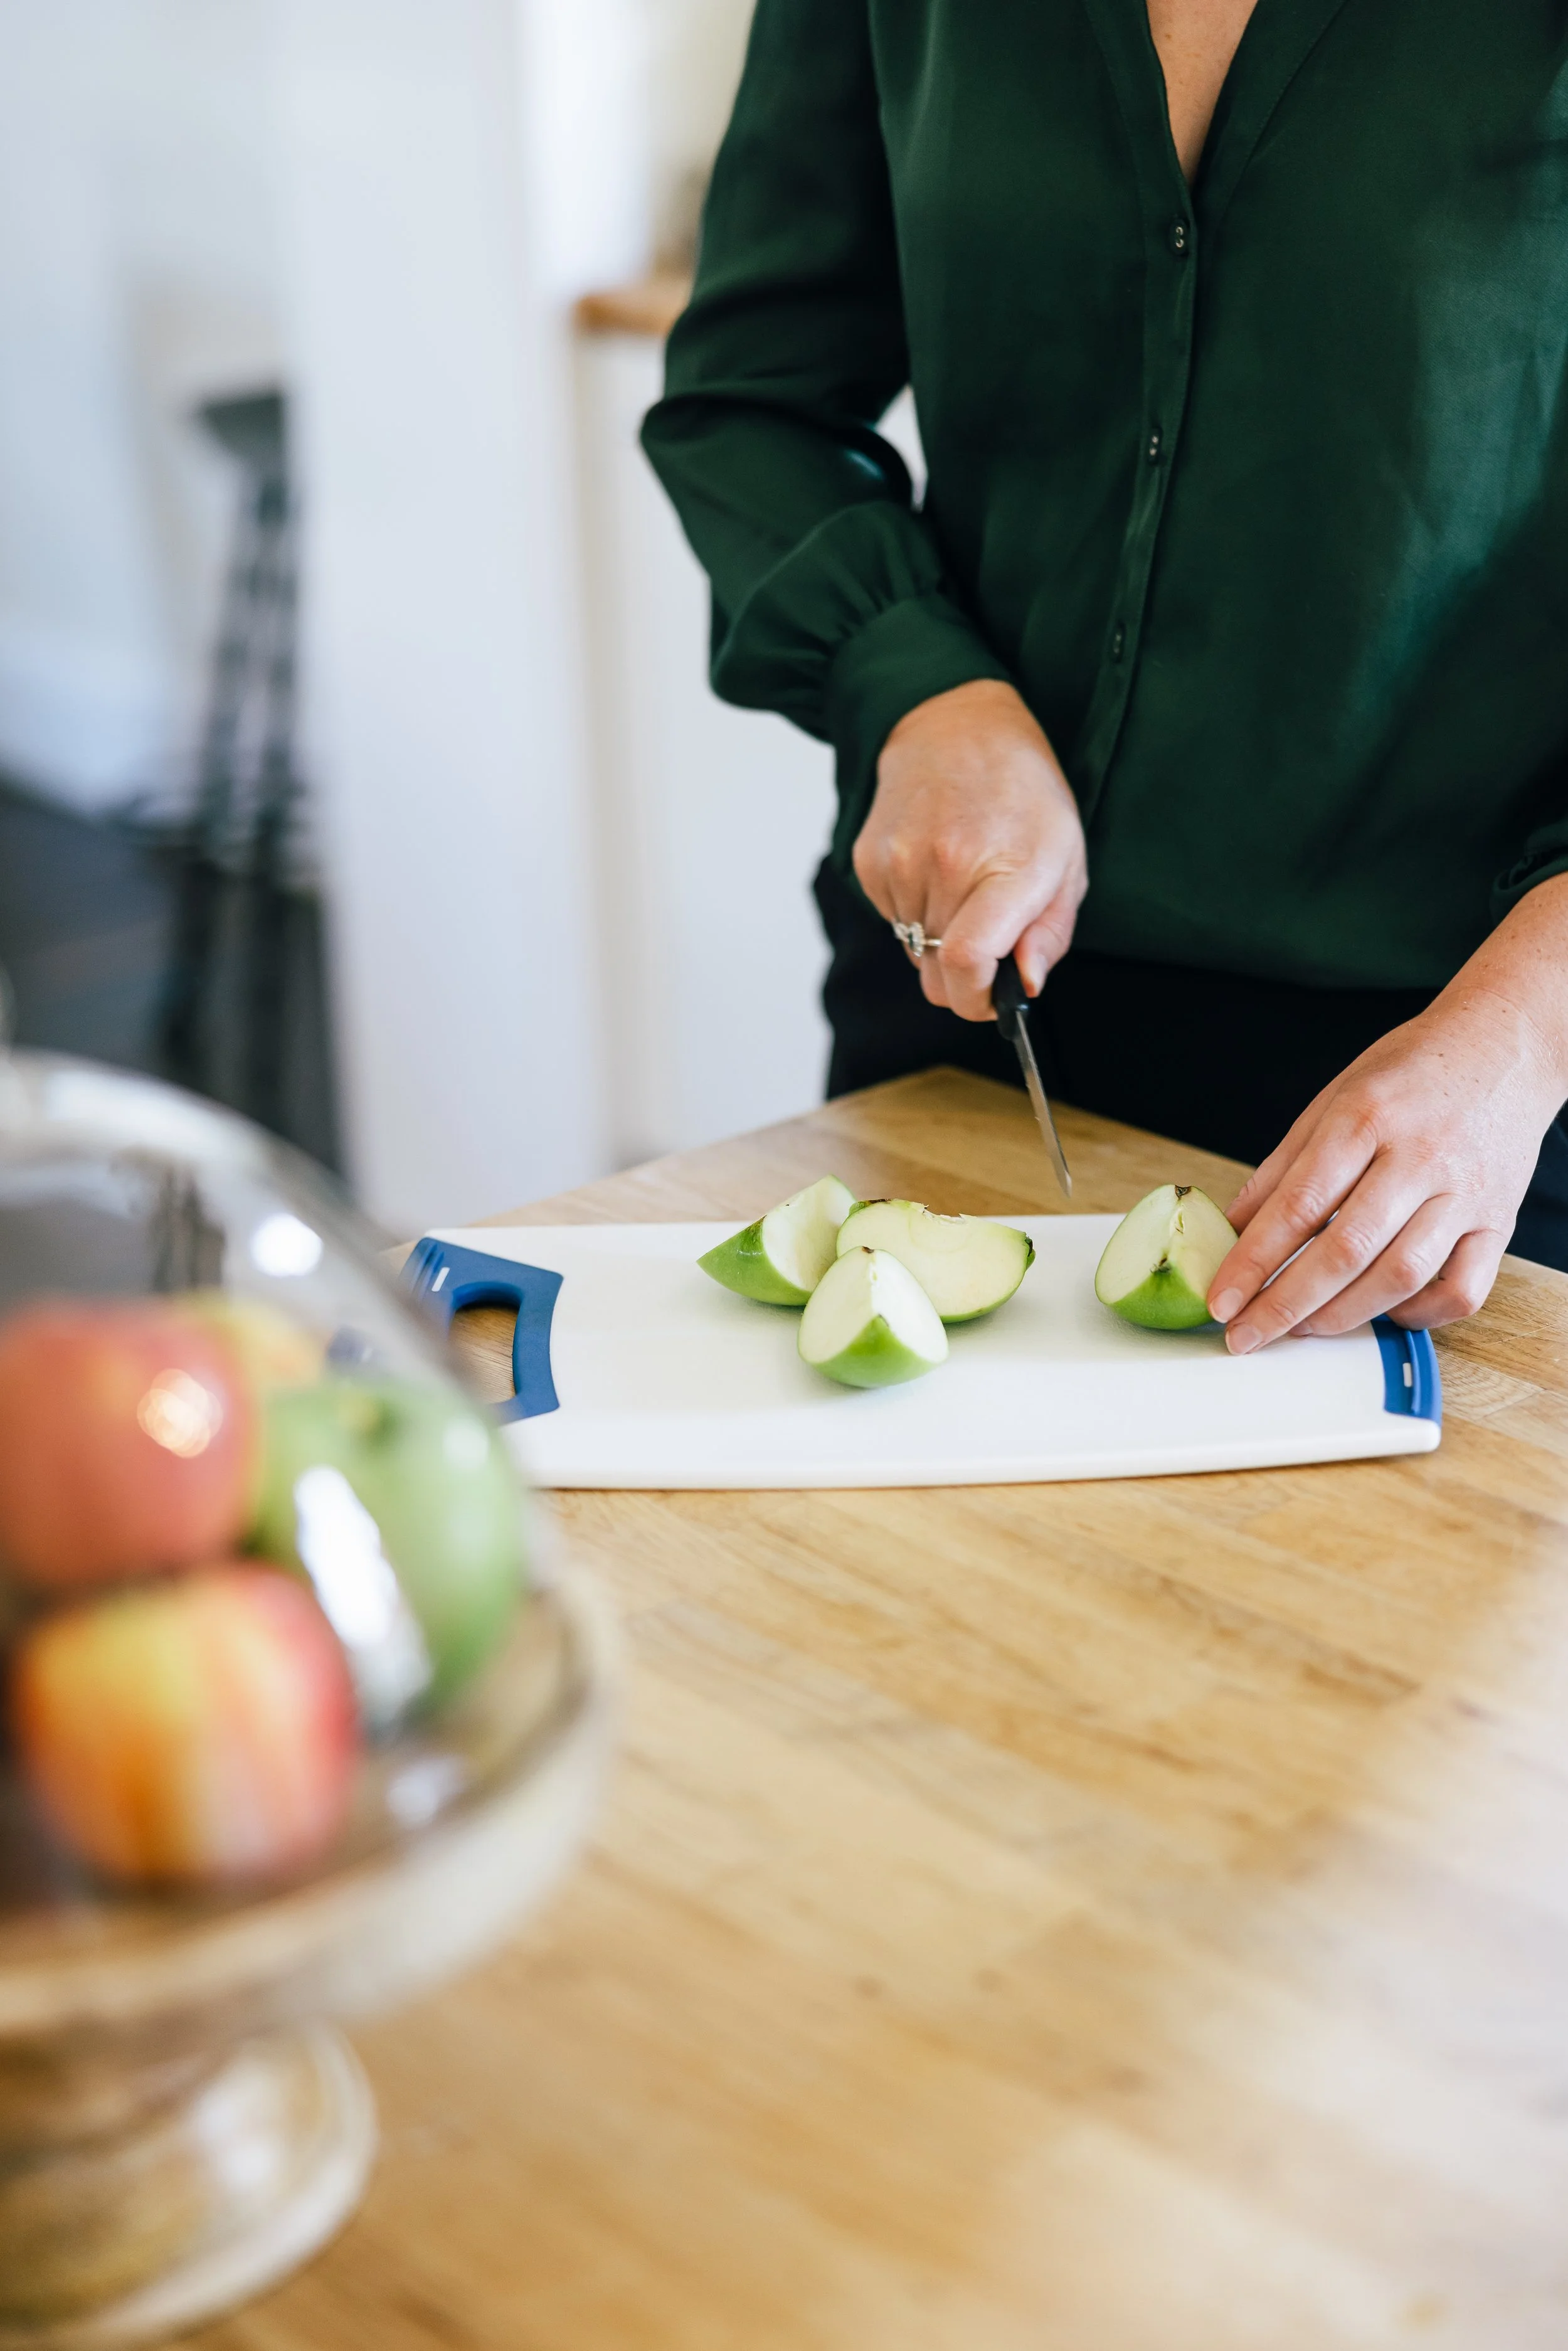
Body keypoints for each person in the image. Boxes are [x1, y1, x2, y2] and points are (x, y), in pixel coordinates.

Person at [643, 0, 1568, 1354]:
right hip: (975, 1007)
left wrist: (1522, 1035)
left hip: (1460, 1095)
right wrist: (919, 686)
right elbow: (752, 399)